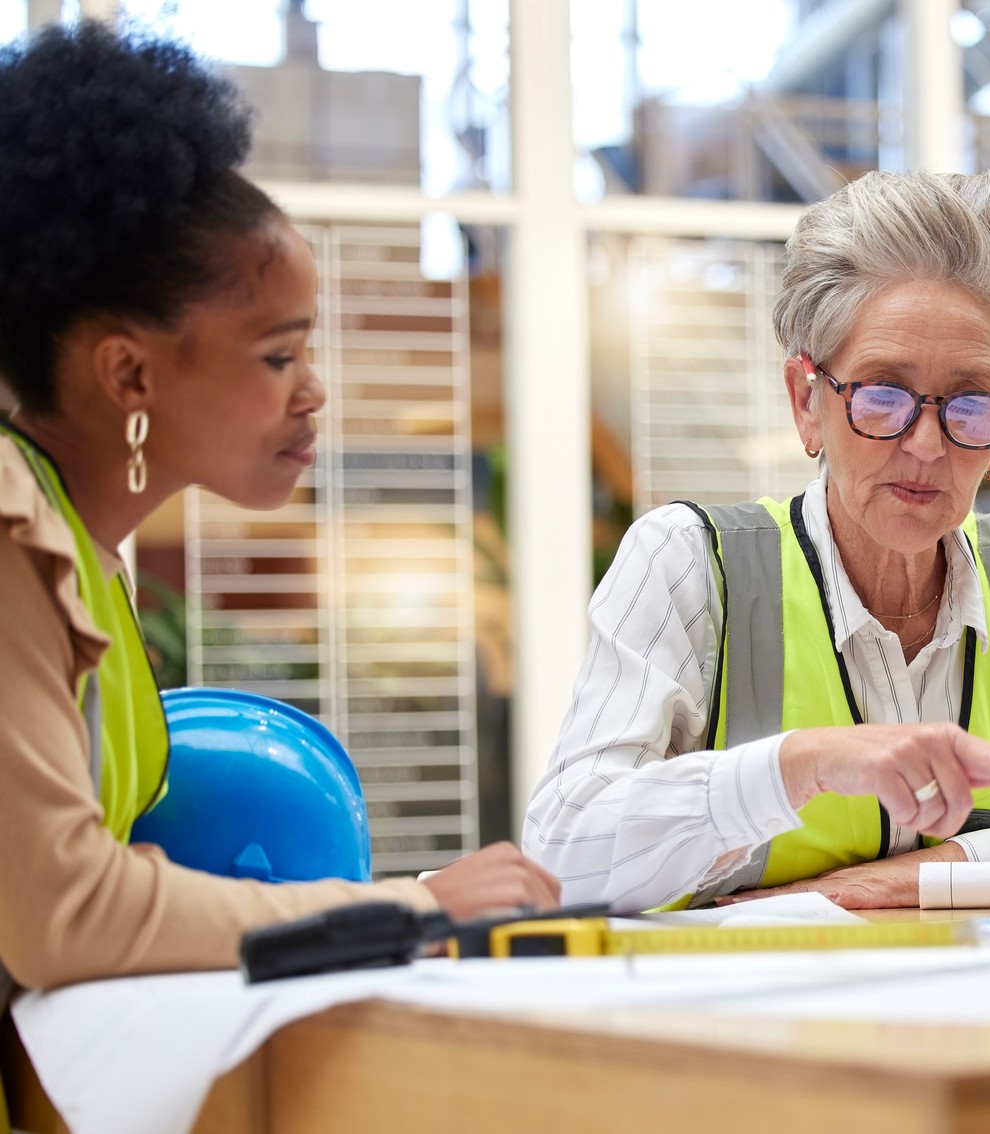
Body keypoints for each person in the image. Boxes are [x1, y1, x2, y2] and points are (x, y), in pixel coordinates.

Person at [524, 169, 990, 911]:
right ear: (807, 403)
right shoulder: (691, 564)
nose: (925, 444)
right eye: (882, 395)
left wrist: (955, 868)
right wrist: (798, 766)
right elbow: (561, 856)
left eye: (971, 403)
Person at [0, 23, 560, 1001]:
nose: (314, 393)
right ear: (129, 370)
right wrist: (414, 905)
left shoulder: (79, 549)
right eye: (277, 356)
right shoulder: (14, 541)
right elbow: (68, 915)